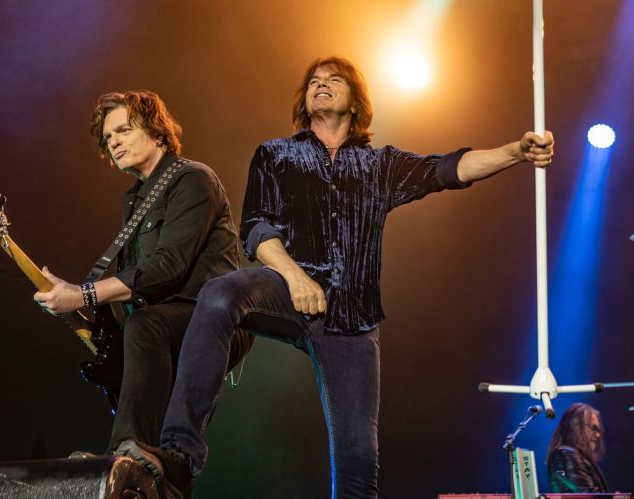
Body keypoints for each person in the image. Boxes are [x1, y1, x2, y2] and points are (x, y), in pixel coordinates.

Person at [114, 56, 555, 499]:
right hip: (285, 290)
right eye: (313, 81)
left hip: (352, 320)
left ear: (356, 102)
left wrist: (516, 152)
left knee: (358, 470)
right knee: (220, 293)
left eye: (334, 79)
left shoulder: (380, 164)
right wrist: (295, 278)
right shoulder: (275, 154)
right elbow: (256, 229)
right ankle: (179, 456)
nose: (320, 84)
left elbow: (448, 169)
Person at [32, 90, 253, 454]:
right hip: (163, 323)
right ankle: (146, 462)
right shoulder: (136, 199)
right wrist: (75, 301)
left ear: (157, 133)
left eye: (124, 130)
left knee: (145, 325)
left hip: (215, 319)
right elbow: (138, 284)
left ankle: (127, 450)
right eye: (108, 137)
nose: (114, 142)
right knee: (167, 447)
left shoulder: (193, 179)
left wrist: (83, 294)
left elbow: (168, 266)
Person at [547, 403, 608, 493]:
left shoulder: (574, 455)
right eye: (593, 428)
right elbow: (587, 494)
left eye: (598, 430)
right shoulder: (568, 454)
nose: (598, 435)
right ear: (576, 426)